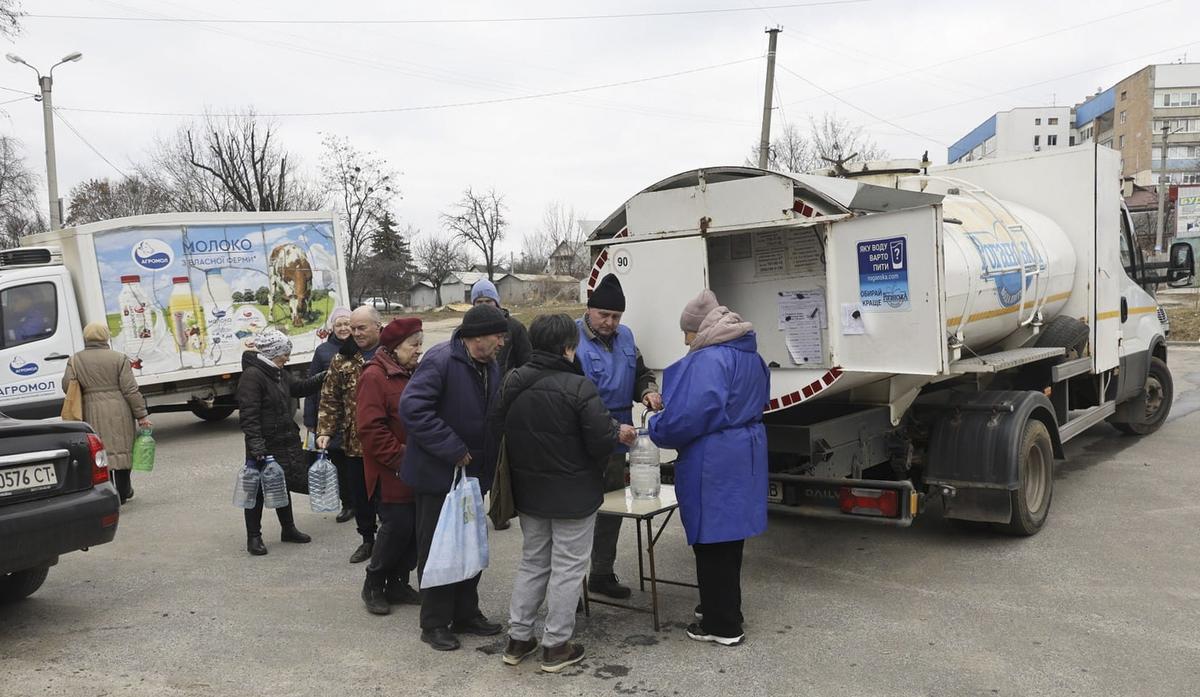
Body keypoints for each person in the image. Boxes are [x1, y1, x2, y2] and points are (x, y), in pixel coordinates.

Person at [493, 314, 636, 672]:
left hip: (528, 492)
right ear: (569, 348)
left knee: (533, 562)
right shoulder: (579, 387)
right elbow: (601, 440)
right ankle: (556, 645)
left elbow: (499, 428)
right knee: (569, 568)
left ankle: (519, 638)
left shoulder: (512, 382)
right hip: (574, 494)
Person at [647, 290, 769, 646]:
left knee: (710, 539)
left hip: (714, 458)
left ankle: (722, 625)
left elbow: (688, 417)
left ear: (699, 329)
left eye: (687, 333)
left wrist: (656, 426)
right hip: (745, 450)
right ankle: (724, 605)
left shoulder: (709, 359)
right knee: (731, 539)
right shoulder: (748, 353)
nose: (686, 342)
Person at [399, 303, 507, 651]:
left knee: (470, 544)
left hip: (472, 475)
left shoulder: (489, 364)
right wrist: (452, 447)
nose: (502, 343)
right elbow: (412, 408)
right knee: (437, 549)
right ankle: (433, 623)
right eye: (497, 336)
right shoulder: (441, 360)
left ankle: (465, 613)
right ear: (477, 338)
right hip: (438, 476)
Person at [575, 273, 662, 599]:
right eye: (604, 315)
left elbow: (641, 373)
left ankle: (601, 572)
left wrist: (648, 392)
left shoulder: (626, 337)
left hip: (620, 438)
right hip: (582, 439)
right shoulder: (571, 338)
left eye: (616, 316)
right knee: (580, 512)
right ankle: (572, 582)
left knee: (611, 509)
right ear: (589, 310)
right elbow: (568, 394)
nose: (610, 322)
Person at [355, 316, 424, 615]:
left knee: (414, 530)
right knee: (396, 528)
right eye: (414, 344)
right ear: (396, 347)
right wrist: (401, 458)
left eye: (421, 343)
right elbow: (370, 429)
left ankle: (398, 583)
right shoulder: (374, 376)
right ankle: (374, 583)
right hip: (391, 470)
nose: (419, 350)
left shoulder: (413, 373)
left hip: (416, 469)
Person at [237, 329, 326, 556]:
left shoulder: (278, 372)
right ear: (273, 352)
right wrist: (256, 445)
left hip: (283, 440)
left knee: (282, 483)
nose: (287, 357)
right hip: (264, 444)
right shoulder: (253, 376)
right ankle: (254, 537)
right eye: (285, 353)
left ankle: (288, 529)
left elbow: (299, 388)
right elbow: (249, 415)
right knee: (256, 491)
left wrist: (325, 376)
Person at [317, 306, 382, 564]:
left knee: (389, 497)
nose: (355, 333)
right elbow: (330, 397)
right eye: (353, 329)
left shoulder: (393, 353)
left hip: (388, 443)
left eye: (361, 328)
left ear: (378, 326)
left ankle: (392, 541)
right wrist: (325, 430)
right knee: (361, 497)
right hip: (355, 444)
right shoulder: (342, 358)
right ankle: (368, 540)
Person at [63, 322, 152, 504]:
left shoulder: (75, 360)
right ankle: (124, 490)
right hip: (119, 408)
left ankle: (108, 492)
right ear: (105, 337)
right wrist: (141, 415)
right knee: (122, 449)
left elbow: (67, 386)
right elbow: (130, 389)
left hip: (90, 408)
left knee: (100, 451)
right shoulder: (119, 358)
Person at [303, 307, 354, 523]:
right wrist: (310, 421)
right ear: (332, 327)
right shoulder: (323, 351)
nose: (343, 328)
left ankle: (371, 503)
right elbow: (311, 387)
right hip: (331, 416)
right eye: (339, 324)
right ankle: (348, 504)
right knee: (339, 463)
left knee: (359, 463)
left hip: (355, 415)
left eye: (347, 324)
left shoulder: (360, 347)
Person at [469, 278, 531, 376]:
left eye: (488, 301)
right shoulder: (467, 330)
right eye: (479, 302)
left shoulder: (515, 328)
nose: (484, 305)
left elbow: (526, 363)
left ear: (497, 303)